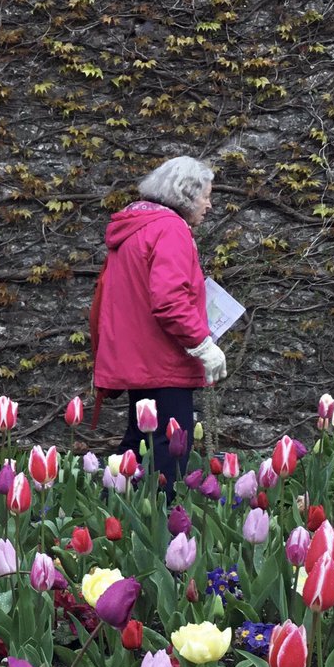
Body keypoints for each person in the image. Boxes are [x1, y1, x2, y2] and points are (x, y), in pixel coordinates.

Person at [90, 155, 227, 497]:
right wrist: (203, 345)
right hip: (163, 362)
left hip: (138, 360)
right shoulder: (171, 229)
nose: (209, 205)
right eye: (206, 195)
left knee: (136, 448)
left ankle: (109, 524)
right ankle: (159, 533)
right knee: (169, 453)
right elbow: (168, 301)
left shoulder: (136, 228)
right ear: (186, 193)